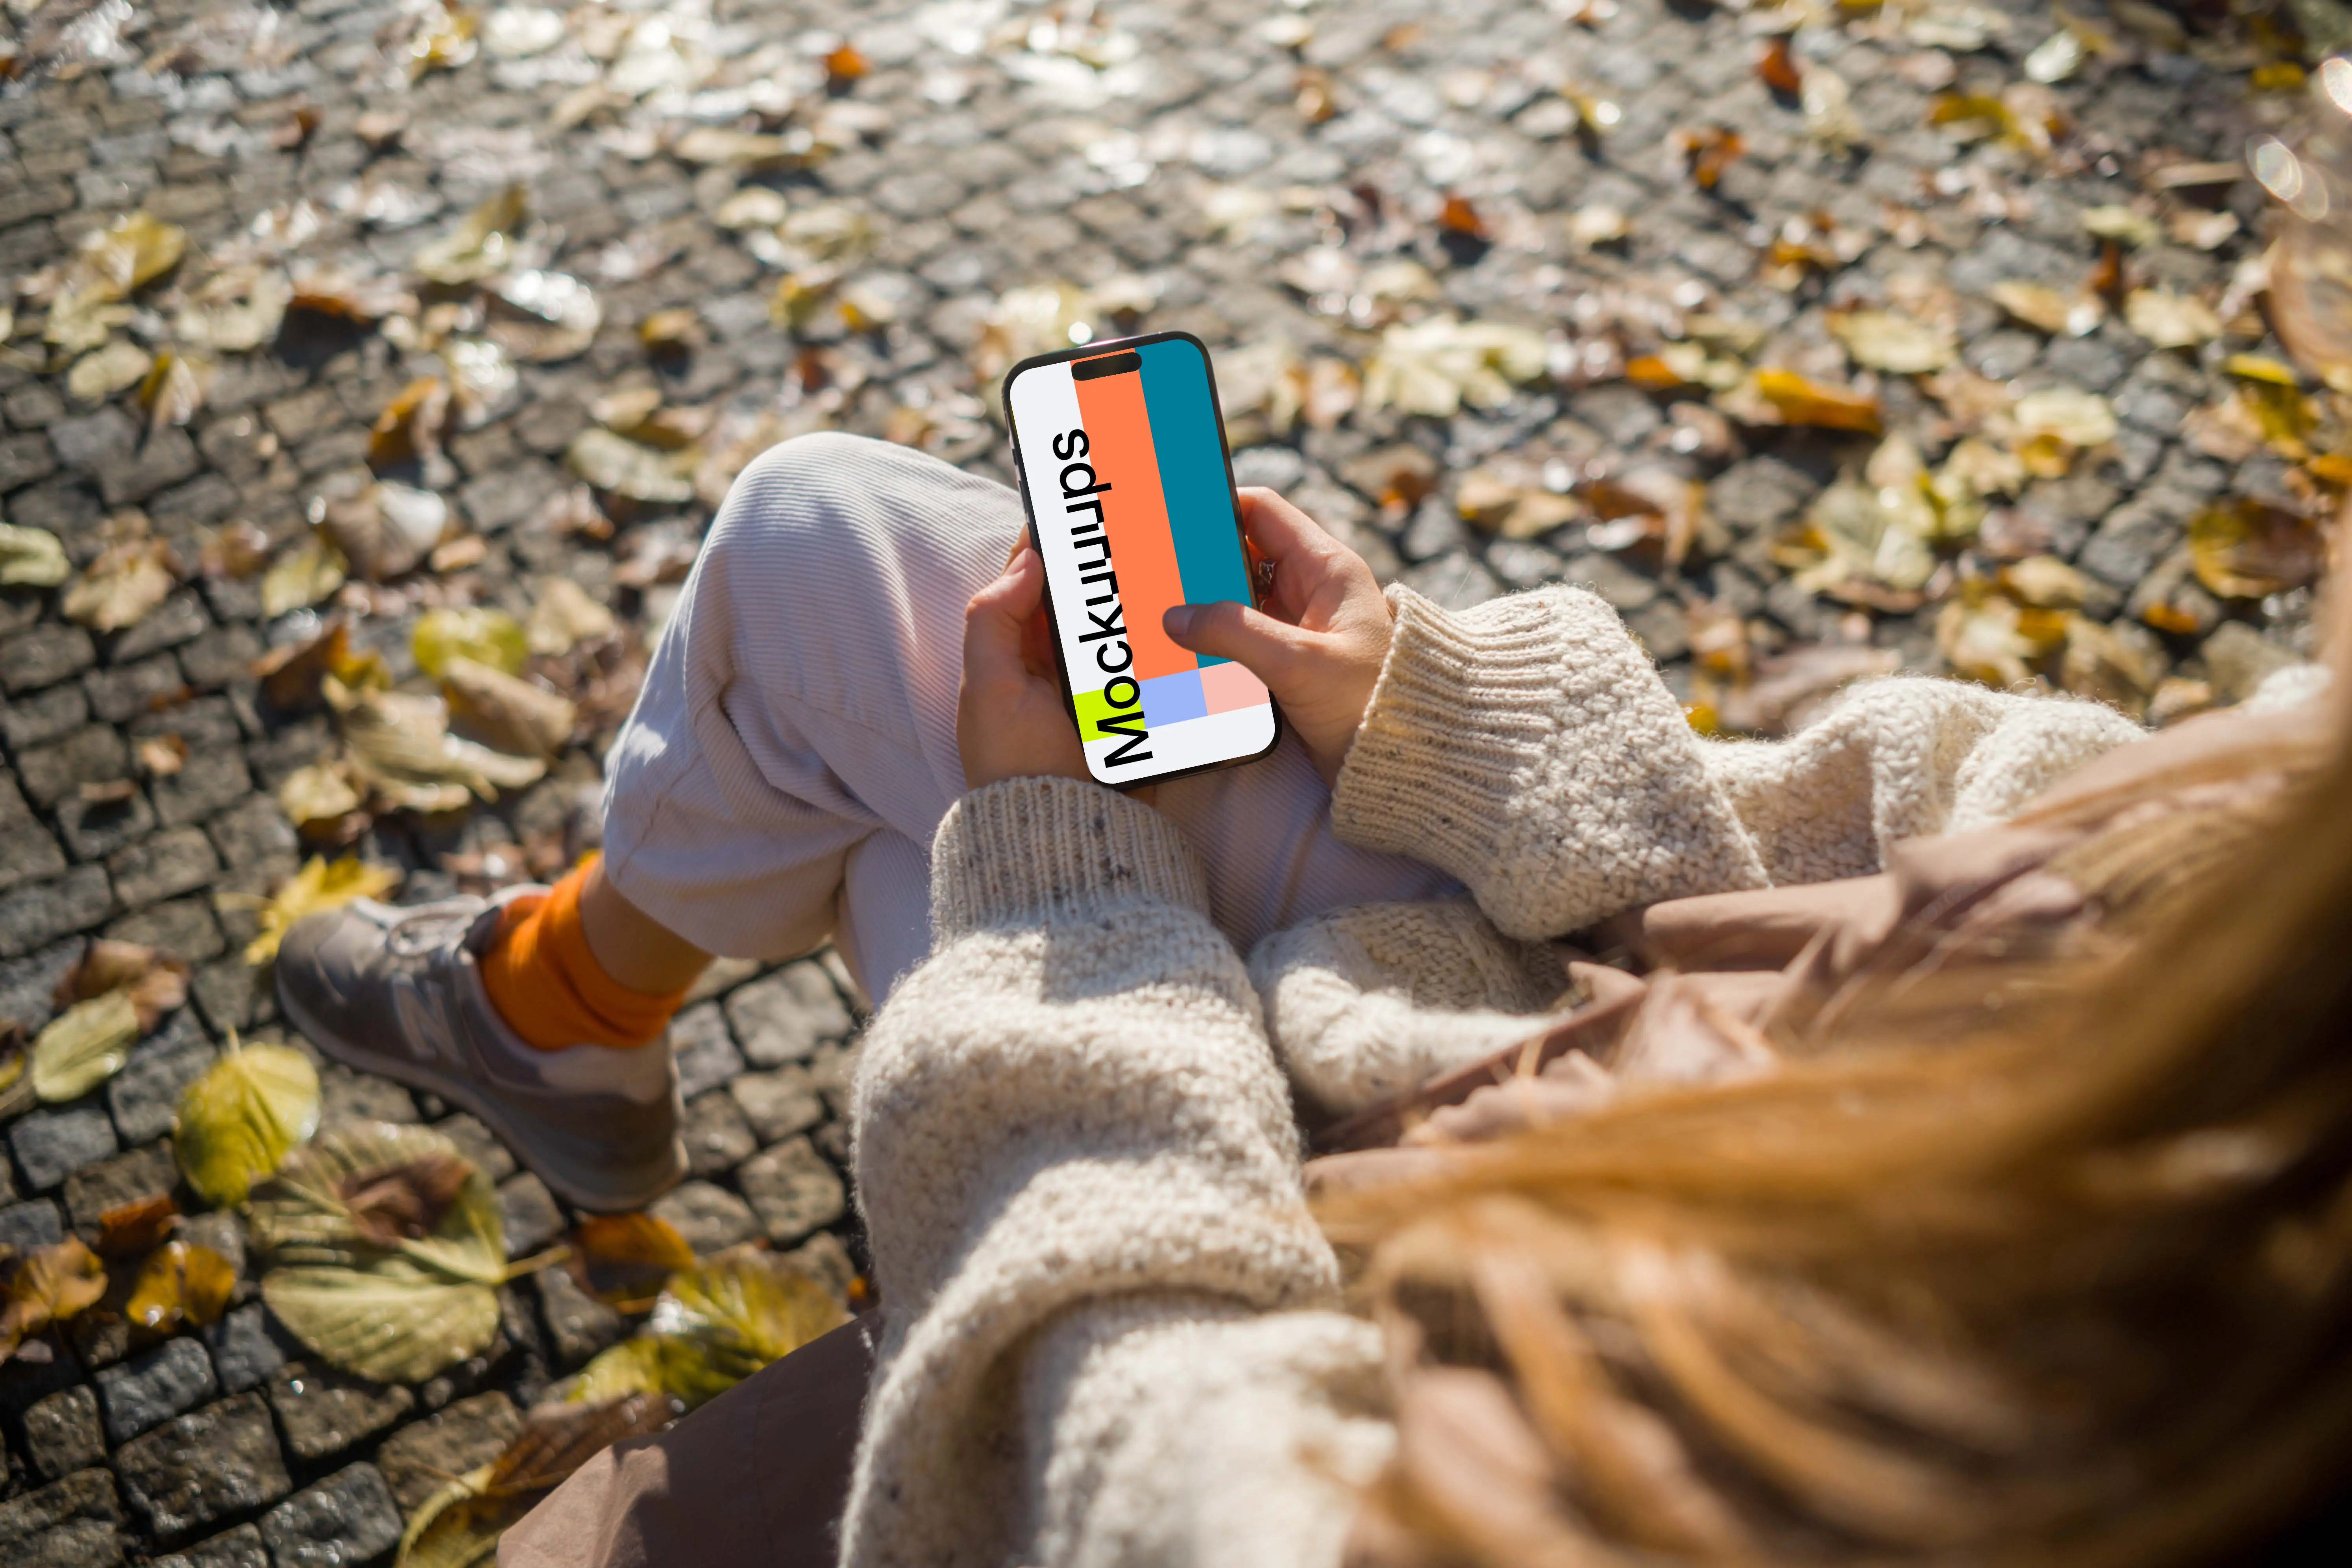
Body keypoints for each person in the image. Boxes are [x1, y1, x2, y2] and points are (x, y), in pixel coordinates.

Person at [273, 433, 2349, 1567]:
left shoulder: (2109, 1426)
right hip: (1500, 1018)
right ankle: (562, 1009)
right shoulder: (2284, 817)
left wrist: (1065, 899)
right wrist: (1431, 718)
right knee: (834, 548)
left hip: (1261, 1264)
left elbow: (1195, 1484)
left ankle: (556, 1016)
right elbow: (1894, 814)